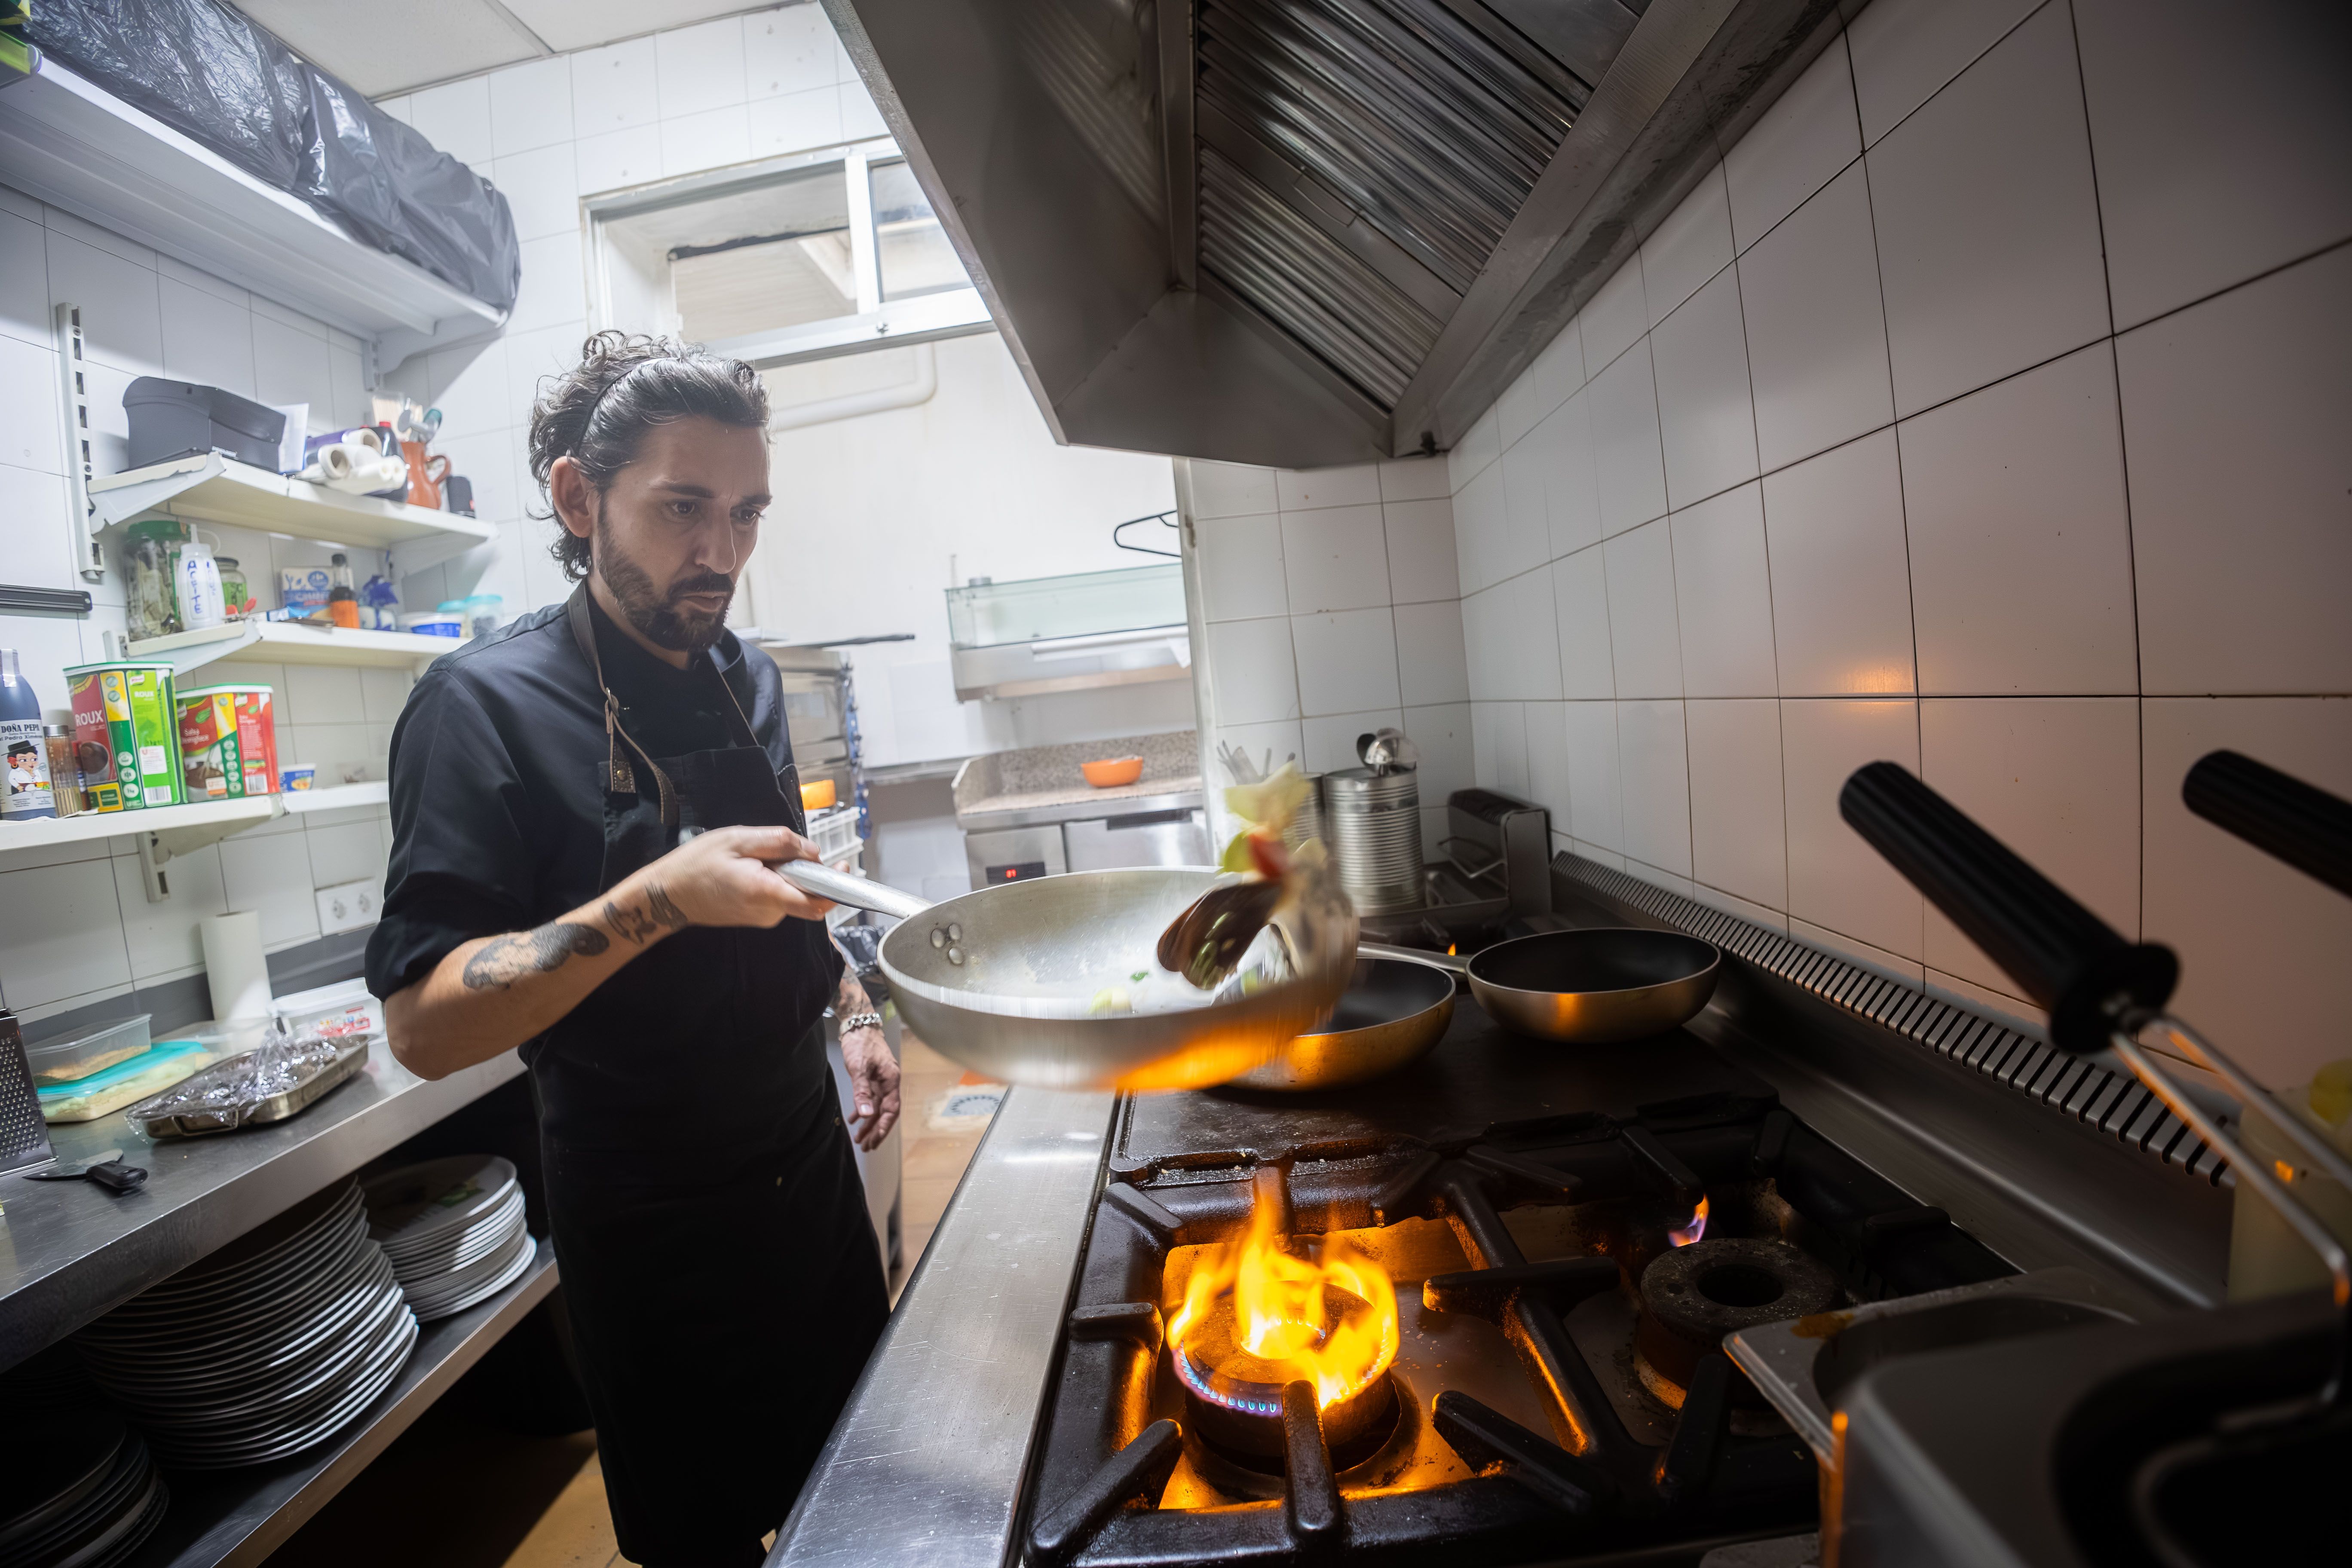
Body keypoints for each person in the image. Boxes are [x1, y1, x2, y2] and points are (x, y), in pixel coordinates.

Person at [365, 333, 896, 1567]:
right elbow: (424, 1025)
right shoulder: (481, 708)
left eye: (747, 513)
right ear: (575, 497)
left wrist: (851, 1004)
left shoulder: (743, 675)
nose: (721, 554)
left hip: (806, 1175)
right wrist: (655, 899)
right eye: (683, 510)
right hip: (650, 1225)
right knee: (703, 1541)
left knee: (862, 1503)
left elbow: (788, 882)